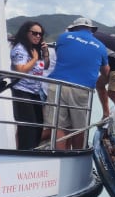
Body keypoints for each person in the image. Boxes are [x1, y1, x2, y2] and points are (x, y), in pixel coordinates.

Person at [50, 17, 109, 150]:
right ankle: (76, 155)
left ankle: (59, 156)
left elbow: (61, 56)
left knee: (59, 126)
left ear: (74, 28)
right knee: (80, 128)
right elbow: (106, 71)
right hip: (81, 89)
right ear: (91, 30)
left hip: (58, 85)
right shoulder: (100, 46)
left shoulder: (63, 37)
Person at [10, 20, 50, 149]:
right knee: (28, 127)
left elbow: (45, 66)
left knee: (38, 125)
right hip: (21, 91)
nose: (38, 36)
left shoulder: (34, 49)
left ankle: (32, 150)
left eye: (40, 34)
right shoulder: (20, 49)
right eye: (34, 33)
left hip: (34, 92)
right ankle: (25, 153)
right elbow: (20, 70)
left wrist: (45, 54)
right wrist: (33, 59)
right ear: (26, 33)